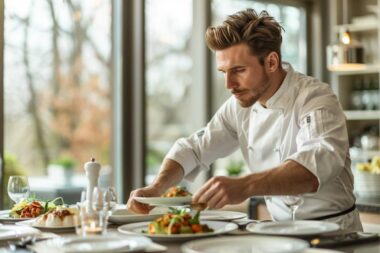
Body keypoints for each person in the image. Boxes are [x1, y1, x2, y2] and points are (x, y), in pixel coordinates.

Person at [127, 9, 362, 232]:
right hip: (281, 233)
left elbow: (314, 168)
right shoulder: (239, 107)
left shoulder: (315, 98)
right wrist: (156, 188)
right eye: (223, 73)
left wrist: (244, 185)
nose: (229, 85)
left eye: (238, 70)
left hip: (336, 235)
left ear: (271, 62)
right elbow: (194, 149)